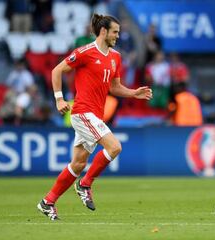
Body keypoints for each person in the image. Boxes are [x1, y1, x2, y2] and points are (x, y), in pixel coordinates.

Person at [37, 13, 153, 221]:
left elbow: (115, 87)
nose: (118, 35)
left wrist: (134, 92)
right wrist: (59, 99)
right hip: (82, 113)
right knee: (115, 146)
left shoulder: (115, 57)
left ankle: (48, 202)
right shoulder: (85, 52)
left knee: (78, 164)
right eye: (115, 32)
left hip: (95, 116)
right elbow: (57, 70)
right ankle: (85, 184)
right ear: (103, 31)